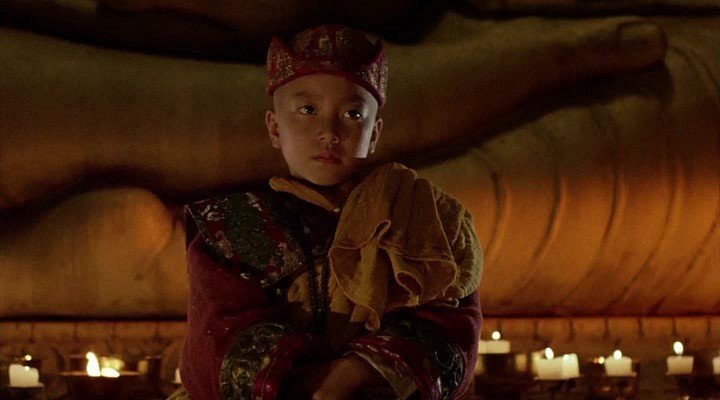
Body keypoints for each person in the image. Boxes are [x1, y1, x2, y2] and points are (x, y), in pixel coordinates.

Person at [173, 24, 483, 400]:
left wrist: (354, 374)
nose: (329, 131)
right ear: (274, 128)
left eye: (352, 114)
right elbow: (217, 343)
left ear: (375, 133)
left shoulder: (422, 216)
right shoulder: (230, 226)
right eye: (308, 110)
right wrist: (316, 384)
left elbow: (454, 324)